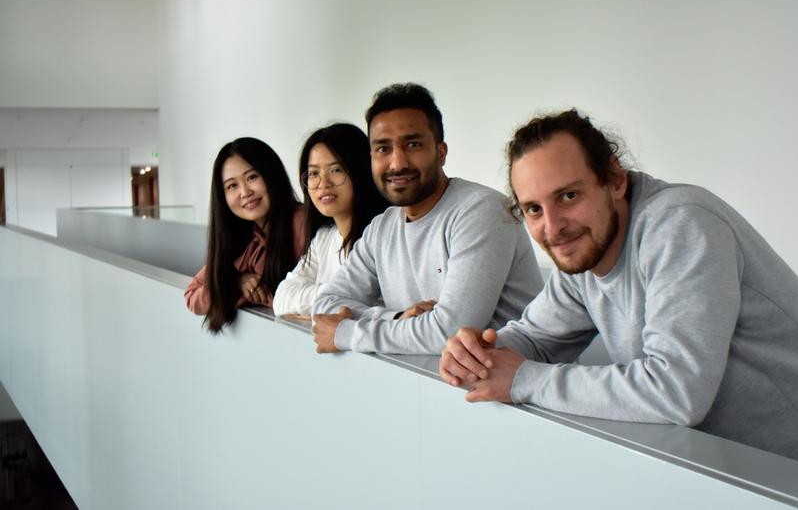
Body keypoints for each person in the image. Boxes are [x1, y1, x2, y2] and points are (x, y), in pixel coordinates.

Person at [439, 109, 798, 459]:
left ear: (614, 179)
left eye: (568, 196)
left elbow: (676, 391)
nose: (552, 227)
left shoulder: (681, 224)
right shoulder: (583, 255)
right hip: (725, 465)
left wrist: (525, 379)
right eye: (533, 209)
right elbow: (536, 338)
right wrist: (477, 352)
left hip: (783, 465)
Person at [312, 83, 543, 354]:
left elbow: (449, 332)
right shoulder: (382, 227)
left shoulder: (482, 211)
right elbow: (325, 304)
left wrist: (346, 333)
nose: (397, 163)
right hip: (432, 384)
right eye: (383, 149)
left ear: (441, 152)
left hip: (507, 390)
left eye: (412, 144)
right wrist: (396, 318)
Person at [185, 137, 304, 333]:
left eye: (252, 177)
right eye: (232, 186)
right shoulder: (242, 236)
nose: (245, 192)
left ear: (271, 174)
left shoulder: (300, 223)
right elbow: (192, 296)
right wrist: (237, 282)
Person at [272, 123, 389, 318]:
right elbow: (282, 299)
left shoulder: (383, 236)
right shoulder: (324, 239)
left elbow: (380, 310)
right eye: (313, 173)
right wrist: (336, 297)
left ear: (360, 172)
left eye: (336, 170)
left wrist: (320, 303)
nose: (323, 184)